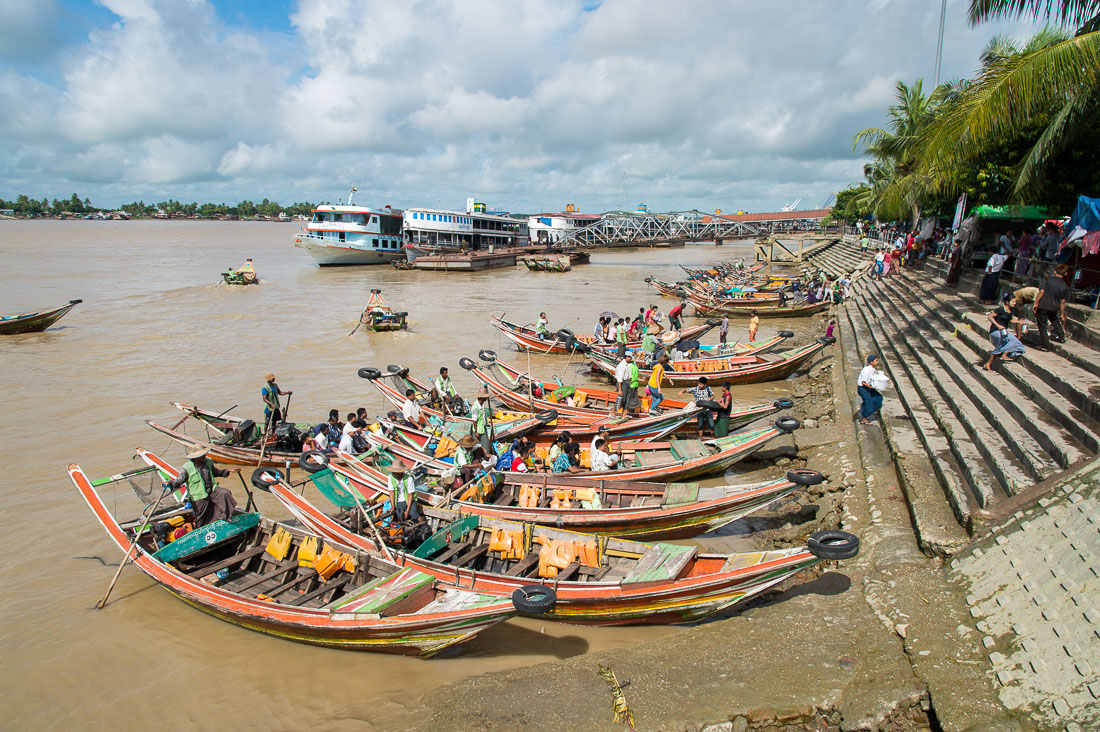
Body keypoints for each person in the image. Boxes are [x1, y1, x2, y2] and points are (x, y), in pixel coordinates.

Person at [165, 446, 241, 527]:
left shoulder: (207, 463)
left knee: (224, 493)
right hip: (198, 496)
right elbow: (179, 480)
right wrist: (171, 483)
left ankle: (225, 519)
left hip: (212, 491)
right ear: (195, 457)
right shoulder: (186, 468)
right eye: (202, 455)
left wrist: (228, 470)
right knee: (200, 518)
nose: (204, 456)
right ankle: (199, 532)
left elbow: (216, 473)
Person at [983, 294, 1026, 371]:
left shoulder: (1010, 310)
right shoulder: (1000, 309)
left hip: (1003, 332)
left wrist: (1019, 322)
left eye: (1015, 302)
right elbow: (990, 317)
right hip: (995, 331)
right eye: (1012, 302)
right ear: (1007, 302)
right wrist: (998, 325)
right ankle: (988, 363)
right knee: (1005, 343)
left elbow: (1010, 320)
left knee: (1012, 341)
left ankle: (1004, 354)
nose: (1014, 303)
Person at [1034, 264, 1070, 351]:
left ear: (1054, 271)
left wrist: (1036, 302)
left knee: (1042, 325)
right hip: (1054, 307)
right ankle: (1061, 337)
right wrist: (1061, 313)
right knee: (1054, 319)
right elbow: (1062, 301)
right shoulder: (1064, 286)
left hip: (1043, 305)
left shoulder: (1047, 280)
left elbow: (1041, 292)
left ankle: (1045, 346)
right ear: (1065, 274)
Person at [857, 355, 884, 426]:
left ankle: (866, 410)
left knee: (879, 398)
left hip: (868, 387)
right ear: (871, 362)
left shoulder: (872, 369)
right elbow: (863, 382)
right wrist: (871, 387)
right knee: (868, 402)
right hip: (863, 388)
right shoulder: (866, 370)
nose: (877, 362)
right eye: (876, 361)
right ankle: (864, 418)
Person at [470, 385, 494, 453]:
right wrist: (476, 431)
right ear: (482, 398)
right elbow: (474, 420)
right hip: (479, 430)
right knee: (483, 445)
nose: (486, 399)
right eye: (485, 398)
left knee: (484, 445)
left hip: (483, 428)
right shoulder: (475, 408)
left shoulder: (482, 404)